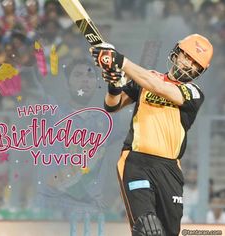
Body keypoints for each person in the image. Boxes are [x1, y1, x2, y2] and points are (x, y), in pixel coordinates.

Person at [90, 34, 213, 236]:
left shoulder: (194, 91)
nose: (189, 64)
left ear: (201, 71)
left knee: (169, 232)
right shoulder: (146, 78)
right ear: (177, 52)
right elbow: (112, 106)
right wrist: (114, 85)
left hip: (170, 169)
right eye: (187, 56)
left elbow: (160, 87)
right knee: (148, 228)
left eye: (196, 64)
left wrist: (120, 61)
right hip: (136, 163)